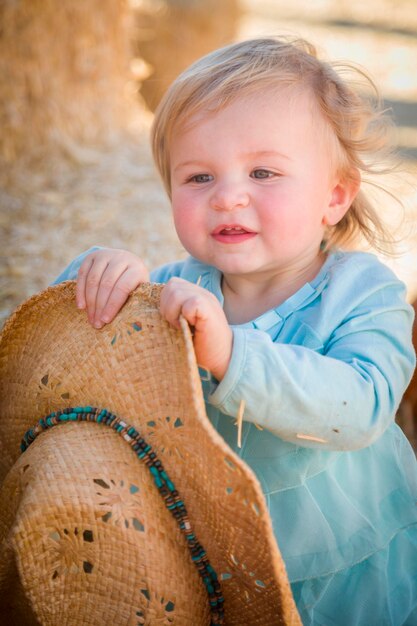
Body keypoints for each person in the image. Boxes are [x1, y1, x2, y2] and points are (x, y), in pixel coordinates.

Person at [53, 38, 417, 625]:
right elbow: (62, 369)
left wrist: (233, 354)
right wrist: (93, 279)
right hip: (206, 559)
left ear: (334, 195)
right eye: (197, 177)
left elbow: (362, 405)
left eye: (263, 171)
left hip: (346, 571)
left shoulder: (363, 292)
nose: (227, 196)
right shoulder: (171, 292)